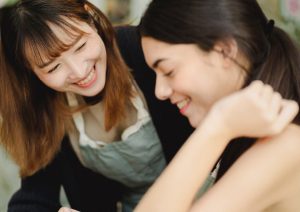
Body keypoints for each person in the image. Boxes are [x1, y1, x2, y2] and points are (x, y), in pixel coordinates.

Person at [0, 1, 194, 212]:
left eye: (80, 46)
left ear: (90, 16)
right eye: (53, 67)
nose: (79, 71)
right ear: (29, 71)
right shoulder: (46, 109)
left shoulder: (144, 50)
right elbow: (33, 195)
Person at [135, 0, 300, 211]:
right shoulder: (243, 133)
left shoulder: (282, 146)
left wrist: (219, 126)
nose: (160, 92)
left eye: (168, 71)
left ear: (224, 51)